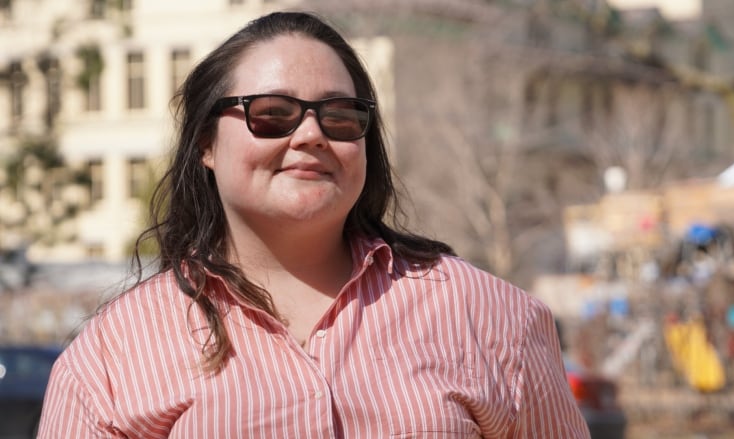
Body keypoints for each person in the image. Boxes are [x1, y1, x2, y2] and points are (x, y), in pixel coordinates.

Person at [38, 11, 589, 438]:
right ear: (206, 143)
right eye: (272, 114)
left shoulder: (491, 318)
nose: (310, 135)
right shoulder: (111, 356)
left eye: (340, 116)